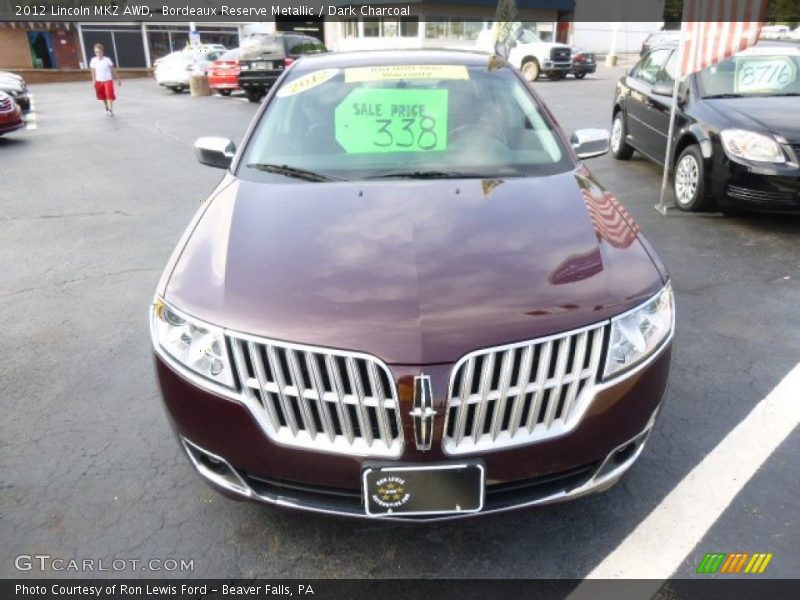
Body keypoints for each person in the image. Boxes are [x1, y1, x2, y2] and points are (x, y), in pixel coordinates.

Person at [89, 43, 121, 116]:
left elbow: (113, 70)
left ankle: (110, 110)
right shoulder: (93, 60)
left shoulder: (107, 60)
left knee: (109, 95)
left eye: (99, 51)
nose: (98, 53)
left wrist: (118, 79)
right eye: (96, 52)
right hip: (99, 81)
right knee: (103, 96)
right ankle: (106, 107)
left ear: (102, 51)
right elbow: (93, 71)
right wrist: (93, 80)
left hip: (107, 80)